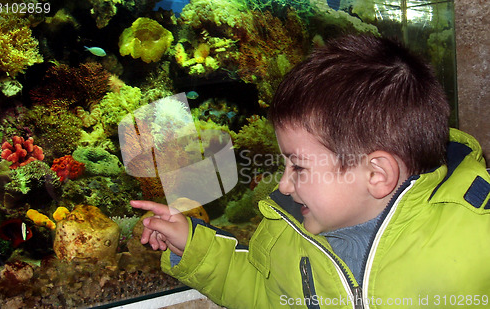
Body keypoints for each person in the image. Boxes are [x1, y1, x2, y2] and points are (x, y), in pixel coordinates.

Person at [131, 35, 490, 308]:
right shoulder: (288, 235)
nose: (283, 185)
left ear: (376, 174)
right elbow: (262, 292)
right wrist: (192, 246)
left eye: (298, 166)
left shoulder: (477, 238)